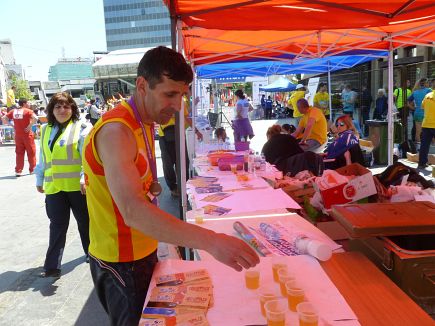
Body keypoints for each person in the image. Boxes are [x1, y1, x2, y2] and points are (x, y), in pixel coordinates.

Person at [82, 46, 259, 325]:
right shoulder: (117, 131)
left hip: (140, 252)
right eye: (170, 94)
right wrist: (212, 241)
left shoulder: (144, 120)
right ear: (142, 85)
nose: (178, 105)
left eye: (182, 95)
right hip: (122, 262)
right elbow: (133, 211)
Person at [34, 92, 90, 278]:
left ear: (72, 108)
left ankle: (92, 254)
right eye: (57, 106)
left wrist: (84, 177)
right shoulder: (45, 129)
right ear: (51, 109)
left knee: (85, 222)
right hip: (54, 188)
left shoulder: (81, 127)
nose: (62, 110)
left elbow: (86, 158)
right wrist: (39, 179)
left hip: (77, 187)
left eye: (66, 106)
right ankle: (52, 267)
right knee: (57, 225)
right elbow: (43, 157)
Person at [158, 88, 203, 197]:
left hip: (177, 133)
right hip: (165, 134)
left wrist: (196, 131)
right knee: (169, 163)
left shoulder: (181, 101)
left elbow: (186, 117)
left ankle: (183, 186)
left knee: (182, 162)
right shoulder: (166, 99)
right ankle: (174, 188)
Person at [1, 98, 37, 176]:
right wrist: (30, 125)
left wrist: (12, 125)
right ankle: (32, 169)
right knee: (31, 152)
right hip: (27, 135)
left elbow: (4, 118)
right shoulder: (28, 111)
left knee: (19, 153)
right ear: (24, 104)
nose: (29, 104)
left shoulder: (13, 111)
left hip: (18, 135)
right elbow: (36, 118)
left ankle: (18, 171)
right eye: (28, 103)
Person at [408, 78, 432, 143]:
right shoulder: (429, 90)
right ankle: (427, 144)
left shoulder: (415, 92)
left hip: (417, 113)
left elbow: (407, 101)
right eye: (428, 83)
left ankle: (418, 146)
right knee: (428, 131)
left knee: (418, 131)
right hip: (425, 113)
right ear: (426, 83)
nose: (429, 84)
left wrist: (413, 108)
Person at [417, 86, 435, 169]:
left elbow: (422, 107)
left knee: (424, 145)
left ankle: (421, 163)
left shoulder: (427, 95)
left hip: (426, 123)